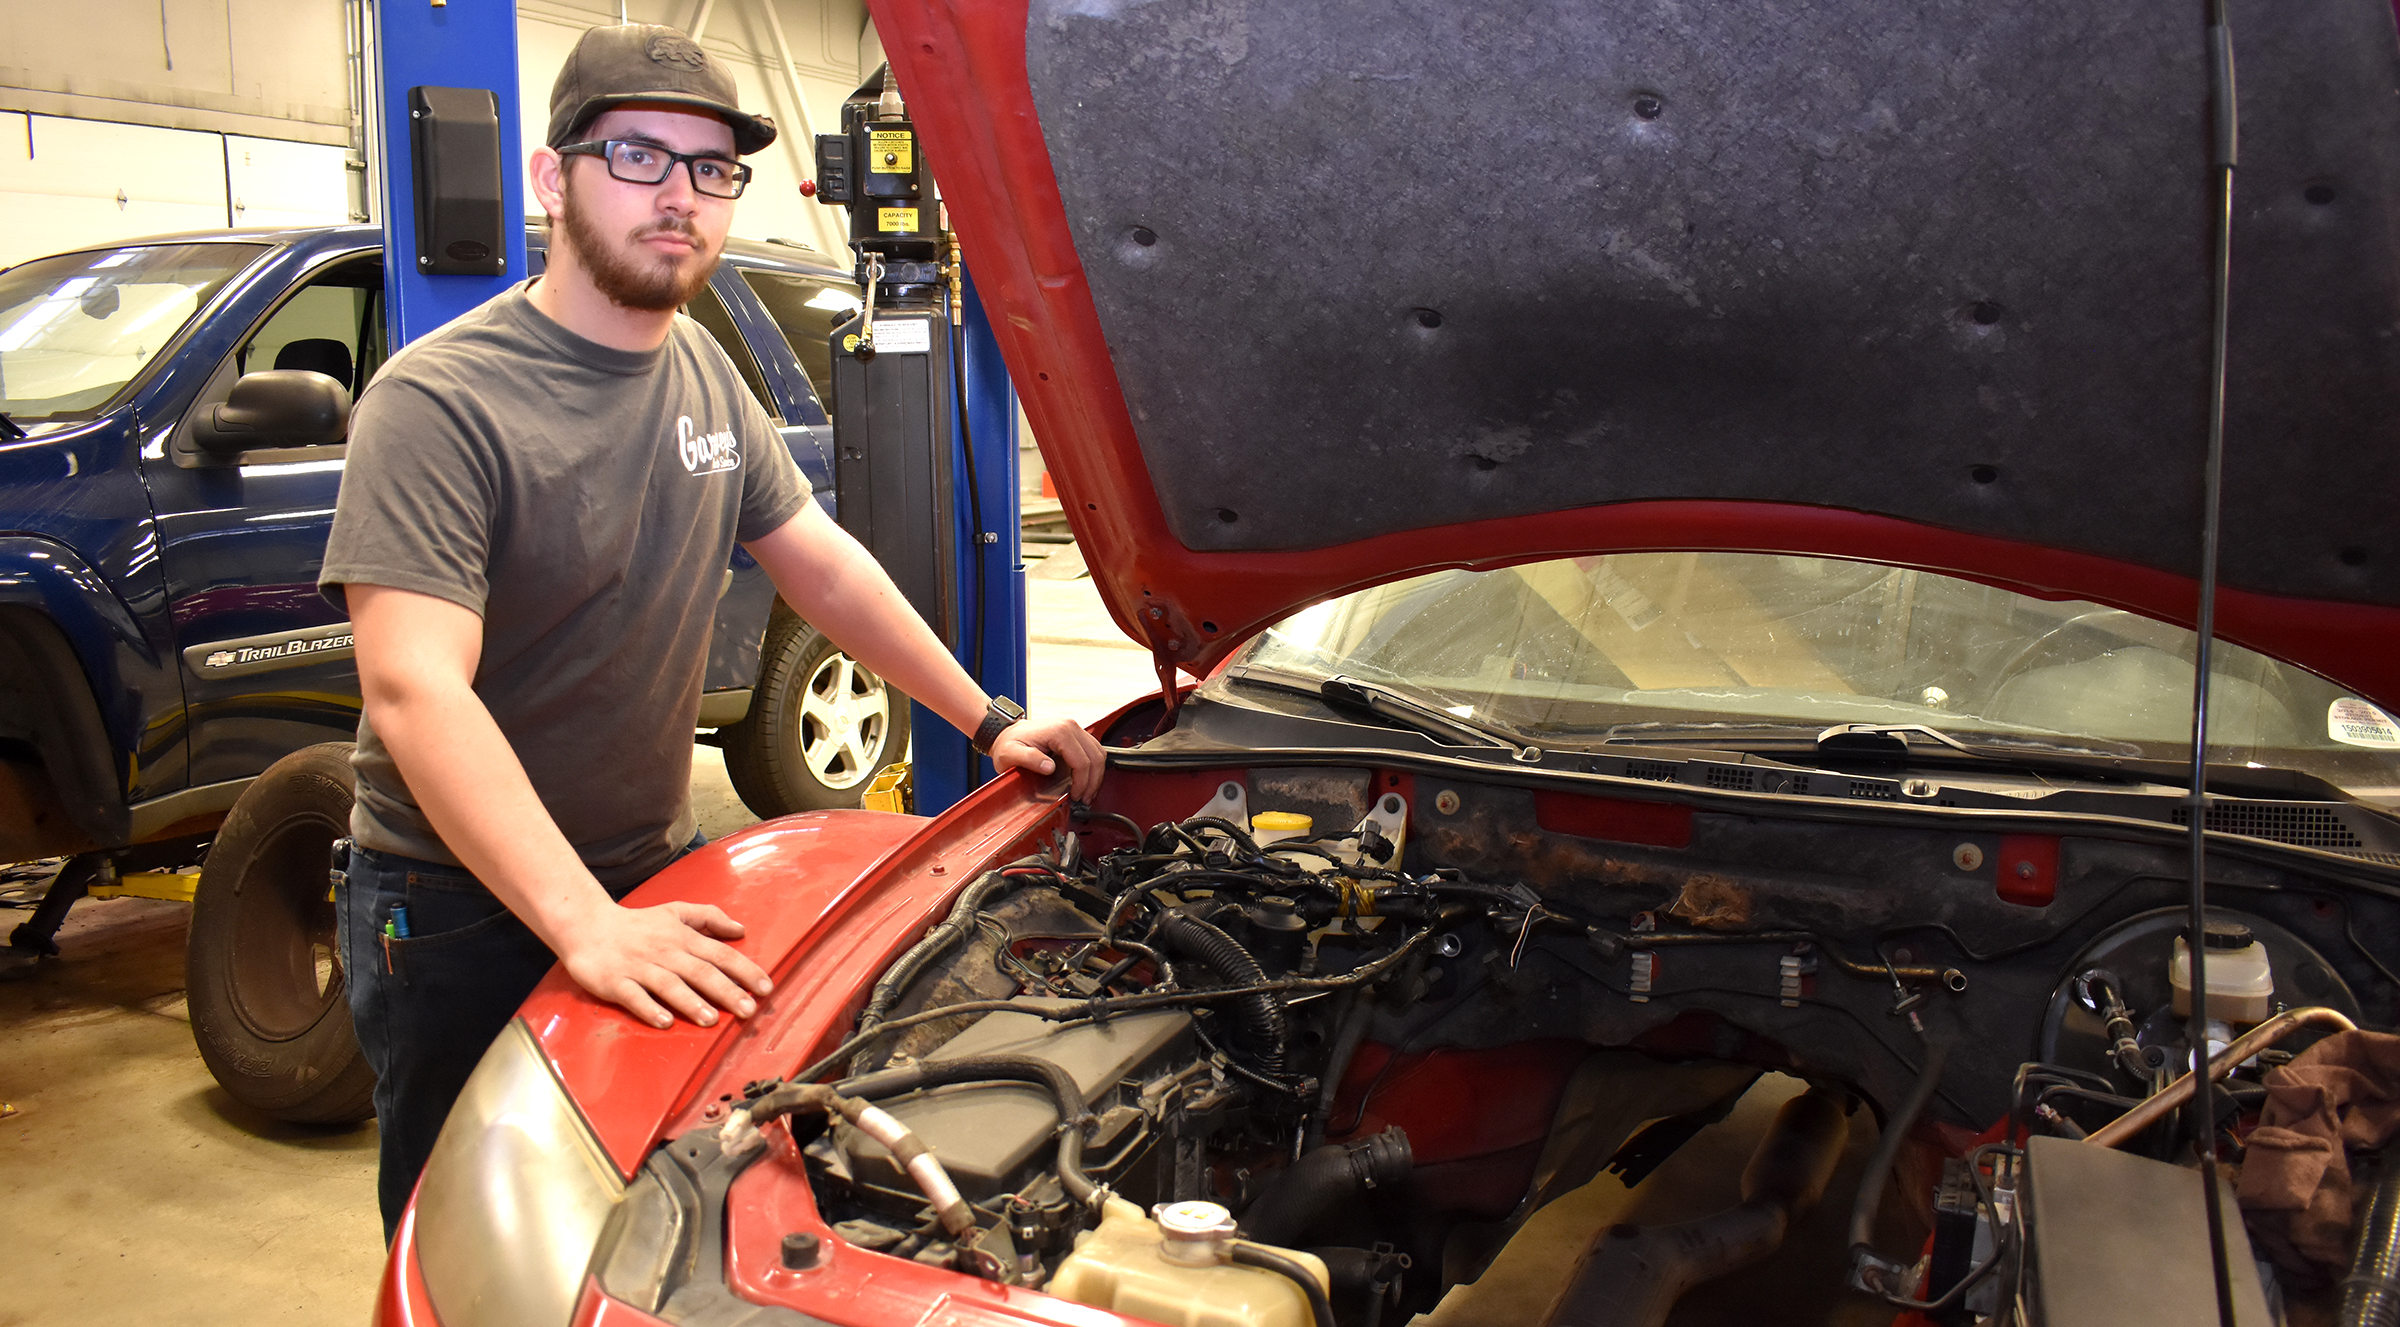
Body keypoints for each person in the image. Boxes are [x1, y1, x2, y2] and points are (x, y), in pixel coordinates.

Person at [319, 23, 1105, 1238]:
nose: (678, 196)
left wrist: (987, 717)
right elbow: (418, 690)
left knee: (646, 1208)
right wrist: (581, 921)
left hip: (654, 865)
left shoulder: (697, 365)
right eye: (636, 156)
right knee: (472, 1229)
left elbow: (825, 567)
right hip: (455, 905)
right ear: (550, 177)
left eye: (710, 168)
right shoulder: (437, 402)